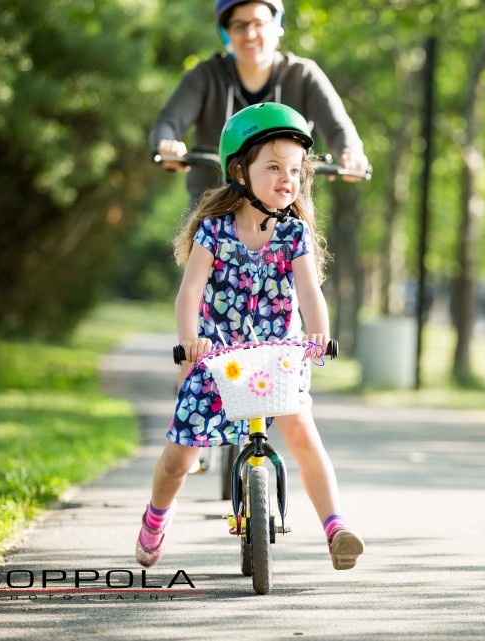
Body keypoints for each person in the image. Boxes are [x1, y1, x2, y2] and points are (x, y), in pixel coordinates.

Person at [135, 102, 364, 571]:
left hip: (278, 359)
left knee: (303, 438)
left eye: (297, 170)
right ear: (239, 169)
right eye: (274, 167)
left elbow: (309, 292)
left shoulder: (294, 233)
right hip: (218, 359)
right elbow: (189, 293)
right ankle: (156, 518)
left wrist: (318, 334)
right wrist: (190, 342)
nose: (288, 178)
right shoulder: (214, 233)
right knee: (179, 458)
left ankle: (335, 528)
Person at [151, 0, 368, 209]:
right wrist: (167, 144)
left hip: (287, 214)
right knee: (195, 244)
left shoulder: (303, 76)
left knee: (304, 244)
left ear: (278, 26)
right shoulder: (204, 77)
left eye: (259, 23)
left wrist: (349, 153)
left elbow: (338, 128)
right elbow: (168, 122)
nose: (250, 33)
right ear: (225, 32)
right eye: (239, 25)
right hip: (213, 212)